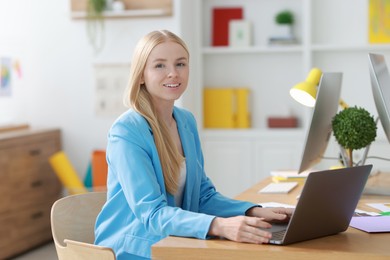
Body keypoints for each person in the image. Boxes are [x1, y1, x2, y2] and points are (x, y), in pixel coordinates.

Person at [94, 30, 293, 260]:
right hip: (132, 249)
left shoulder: (185, 121)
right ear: (141, 75)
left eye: (181, 64)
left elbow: (202, 196)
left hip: (174, 241)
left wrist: (254, 211)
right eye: (159, 66)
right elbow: (152, 214)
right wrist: (219, 225)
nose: (173, 73)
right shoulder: (126, 132)